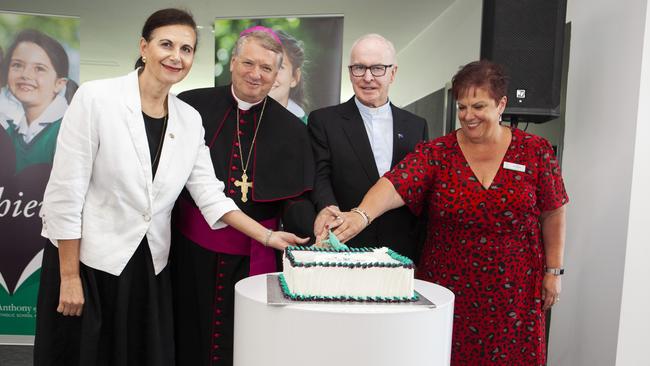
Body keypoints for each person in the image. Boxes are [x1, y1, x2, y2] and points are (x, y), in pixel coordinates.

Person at [33, 9, 307, 366]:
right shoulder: (96, 99)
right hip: (90, 262)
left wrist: (268, 238)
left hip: (149, 265)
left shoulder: (189, 118)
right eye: (167, 44)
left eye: (187, 49)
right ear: (144, 47)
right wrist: (69, 276)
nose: (176, 56)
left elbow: (209, 193)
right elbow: (65, 194)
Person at [324, 60, 568, 365]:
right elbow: (395, 184)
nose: (468, 116)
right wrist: (361, 214)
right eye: (461, 107)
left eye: (478, 106)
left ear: (501, 103)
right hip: (450, 287)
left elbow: (553, 212)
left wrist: (553, 272)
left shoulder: (535, 151)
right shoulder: (438, 152)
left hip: (515, 289)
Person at [171, 26, 315, 366]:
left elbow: (295, 198)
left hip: (256, 255)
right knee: (189, 331)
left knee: (247, 342)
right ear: (233, 62)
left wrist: (312, 228)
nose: (256, 74)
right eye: (248, 63)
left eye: (267, 68)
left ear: (279, 73)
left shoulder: (293, 129)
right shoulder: (191, 106)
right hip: (192, 253)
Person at [309, 33, 428, 262]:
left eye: (377, 68)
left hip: (401, 248)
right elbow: (319, 175)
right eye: (359, 68)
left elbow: (419, 186)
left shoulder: (416, 126)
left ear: (393, 73)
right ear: (350, 72)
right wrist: (329, 209)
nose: (367, 77)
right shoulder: (324, 121)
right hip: (344, 244)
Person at [0, 29, 75, 173]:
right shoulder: (9, 134)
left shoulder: (67, 131)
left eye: (39, 68)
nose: (25, 75)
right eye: (17, 65)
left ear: (59, 83)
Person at [268, 30, 308, 123]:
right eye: (264, 66)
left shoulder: (308, 128)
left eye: (280, 67)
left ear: (294, 77)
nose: (269, 76)